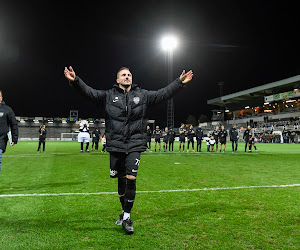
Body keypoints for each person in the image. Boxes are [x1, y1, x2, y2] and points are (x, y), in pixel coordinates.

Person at [64, 66, 193, 234]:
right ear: (117, 80)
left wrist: (179, 82)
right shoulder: (108, 96)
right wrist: (75, 81)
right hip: (116, 144)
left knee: (131, 177)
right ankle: (123, 211)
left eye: (129, 75)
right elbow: (90, 93)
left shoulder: (143, 95)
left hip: (135, 143)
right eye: (123, 75)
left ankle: (126, 217)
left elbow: (163, 94)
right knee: (121, 179)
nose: (127, 77)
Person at [0, 90, 18, 173]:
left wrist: (14, 138)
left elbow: (14, 124)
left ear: (1, 98)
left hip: (1, 140)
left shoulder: (7, 109)